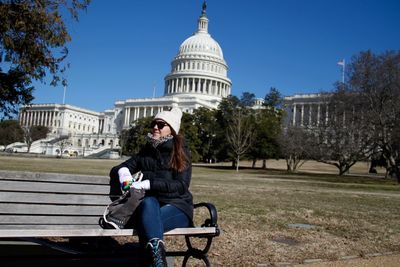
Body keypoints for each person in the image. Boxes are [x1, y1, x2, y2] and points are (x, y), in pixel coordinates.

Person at [109, 107, 193, 267]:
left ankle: (149, 256)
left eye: (161, 125)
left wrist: (148, 184)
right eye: (154, 123)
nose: (155, 127)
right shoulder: (147, 151)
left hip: (177, 206)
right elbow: (118, 168)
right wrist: (124, 172)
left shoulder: (181, 152)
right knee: (148, 203)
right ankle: (157, 261)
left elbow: (182, 186)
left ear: (171, 130)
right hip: (150, 206)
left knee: (148, 223)